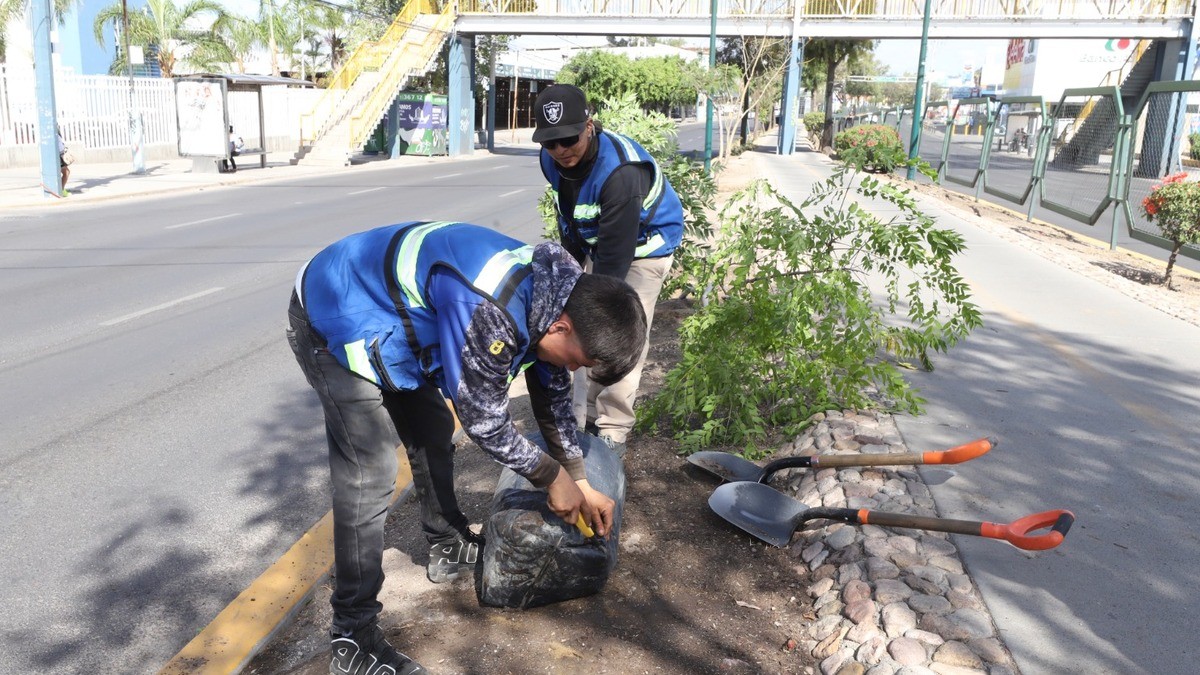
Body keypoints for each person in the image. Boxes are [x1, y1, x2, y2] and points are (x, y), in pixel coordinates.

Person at [287, 221, 647, 675]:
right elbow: (482, 417)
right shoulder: (490, 308)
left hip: (398, 316)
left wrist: (579, 478)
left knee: (433, 428)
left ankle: (446, 545)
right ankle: (353, 639)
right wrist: (551, 477)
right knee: (370, 476)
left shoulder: (561, 296)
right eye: (579, 360)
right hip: (336, 309)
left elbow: (551, 395)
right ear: (561, 327)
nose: (574, 368)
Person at [533, 83, 685, 457]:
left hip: (641, 249)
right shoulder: (551, 159)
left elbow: (613, 267)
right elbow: (568, 215)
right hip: (594, 241)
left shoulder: (620, 173)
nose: (560, 150)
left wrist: (587, 306)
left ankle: (613, 428)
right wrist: (564, 279)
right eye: (550, 142)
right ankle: (583, 416)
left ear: (589, 125)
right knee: (575, 323)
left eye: (568, 139)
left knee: (617, 329)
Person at [56, 128, 71, 194]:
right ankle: (61, 190)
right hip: (59, 156)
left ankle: (61, 190)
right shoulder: (55, 134)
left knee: (66, 172)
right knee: (66, 172)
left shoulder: (56, 134)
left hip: (60, 155)